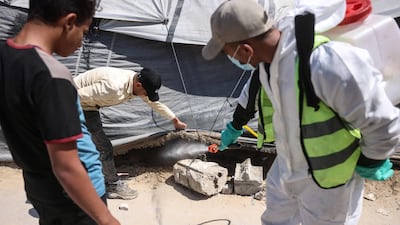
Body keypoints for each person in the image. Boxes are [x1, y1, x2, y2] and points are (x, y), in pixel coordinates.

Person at [202, 0, 400, 225]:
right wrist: (235, 127)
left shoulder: (324, 62)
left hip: (330, 181)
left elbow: (384, 122)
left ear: (246, 49)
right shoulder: (267, 65)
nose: (233, 60)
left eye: (229, 52)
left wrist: (371, 159)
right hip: (290, 168)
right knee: (275, 220)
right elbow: (258, 102)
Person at [0, 0, 120, 225]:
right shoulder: (52, 77)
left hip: (38, 186)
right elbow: (66, 166)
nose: (81, 42)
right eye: (84, 32)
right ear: (69, 22)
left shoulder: (6, 54)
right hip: (76, 195)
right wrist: (106, 219)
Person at [74, 66, 187, 199]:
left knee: (96, 146)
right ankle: (112, 185)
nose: (146, 96)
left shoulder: (135, 83)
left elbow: (154, 103)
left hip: (88, 106)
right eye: (146, 92)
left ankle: (100, 178)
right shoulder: (113, 87)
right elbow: (72, 94)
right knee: (103, 148)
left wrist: (174, 120)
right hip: (73, 103)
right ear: (138, 85)